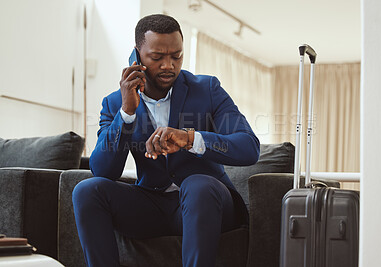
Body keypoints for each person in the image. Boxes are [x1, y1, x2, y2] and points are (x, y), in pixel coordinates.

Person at [72, 14, 260, 267]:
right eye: (157, 57)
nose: (169, 65)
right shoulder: (115, 103)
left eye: (176, 56)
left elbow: (249, 147)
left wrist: (189, 139)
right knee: (86, 190)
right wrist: (127, 113)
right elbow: (103, 170)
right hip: (152, 205)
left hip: (207, 203)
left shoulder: (208, 89)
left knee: (197, 184)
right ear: (137, 56)